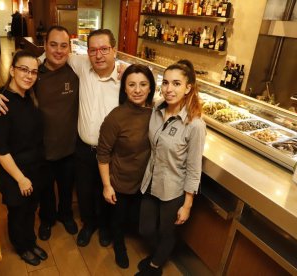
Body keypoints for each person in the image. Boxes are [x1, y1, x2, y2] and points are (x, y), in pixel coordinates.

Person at [0, 26, 80, 241]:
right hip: (41, 151)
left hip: (68, 147)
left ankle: (66, 215)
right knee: (45, 192)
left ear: (69, 48)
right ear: (45, 47)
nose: (58, 50)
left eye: (63, 45)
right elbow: (9, 93)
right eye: (53, 44)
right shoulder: (35, 73)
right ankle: (47, 220)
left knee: (65, 188)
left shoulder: (76, 71)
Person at [136, 60, 206, 276]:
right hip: (150, 181)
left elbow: (195, 168)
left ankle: (156, 266)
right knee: (145, 229)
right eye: (165, 83)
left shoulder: (195, 124)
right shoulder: (157, 108)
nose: (169, 89)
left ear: (188, 88)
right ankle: (159, 253)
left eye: (176, 84)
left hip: (173, 190)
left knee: (167, 232)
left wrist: (187, 204)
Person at [0, 50, 48, 266]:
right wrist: (21, 179)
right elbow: (1, 151)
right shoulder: (0, 102)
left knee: (31, 209)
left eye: (33, 71)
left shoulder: (29, 96)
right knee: (17, 213)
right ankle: (21, 247)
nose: (29, 75)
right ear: (12, 70)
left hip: (34, 168)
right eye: (23, 69)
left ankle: (30, 241)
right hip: (14, 172)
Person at [96, 64, 155, 268]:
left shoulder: (156, 112)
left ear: (150, 88)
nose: (137, 90)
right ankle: (119, 246)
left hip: (145, 181)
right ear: (125, 89)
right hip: (120, 181)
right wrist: (107, 186)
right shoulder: (116, 117)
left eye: (143, 84)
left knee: (135, 217)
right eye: (131, 85)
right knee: (118, 220)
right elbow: (102, 153)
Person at [67, 29, 121, 247]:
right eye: (93, 50)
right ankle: (88, 225)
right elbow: (51, 55)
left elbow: (152, 90)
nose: (98, 55)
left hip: (110, 152)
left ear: (114, 50)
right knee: (84, 190)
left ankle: (105, 227)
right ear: (87, 52)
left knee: (107, 191)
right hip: (83, 147)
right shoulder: (81, 65)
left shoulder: (124, 78)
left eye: (104, 49)